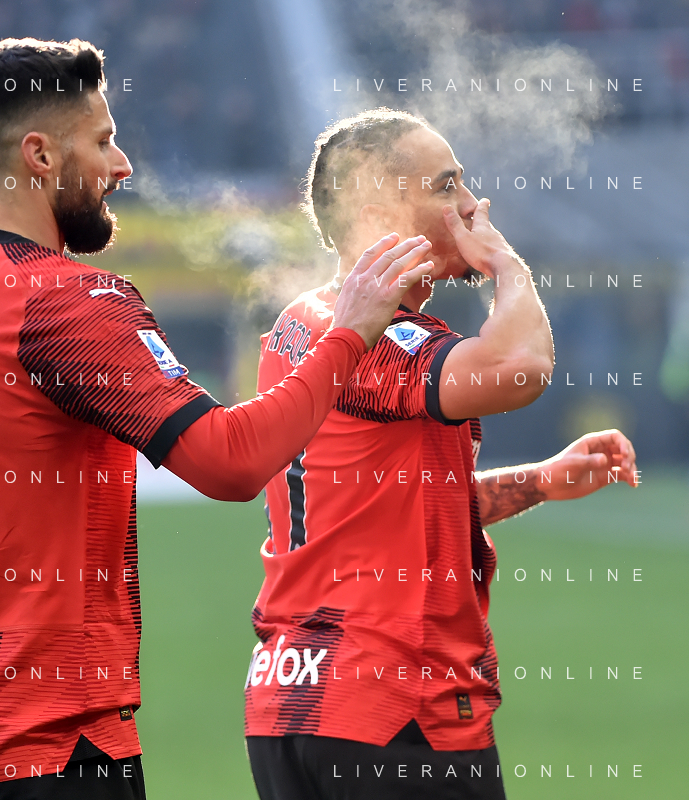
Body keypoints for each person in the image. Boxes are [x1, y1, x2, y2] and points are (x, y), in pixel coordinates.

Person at [0, 41, 434, 799]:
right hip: (56, 747)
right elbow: (231, 461)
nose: (122, 164)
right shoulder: (65, 301)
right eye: (102, 141)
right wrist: (350, 333)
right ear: (40, 155)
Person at [244, 108, 639, 800]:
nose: (470, 205)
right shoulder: (371, 334)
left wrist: (540, 482)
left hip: (291, 704)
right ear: (378, 213)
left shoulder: (299, 323)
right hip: (395, 704)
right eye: (445, 185)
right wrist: (504, 262)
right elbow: (519, 367)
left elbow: (385, 511)